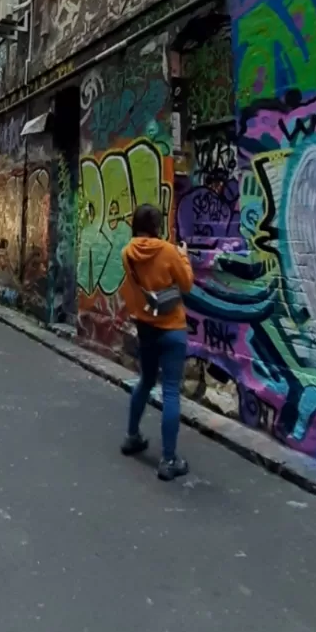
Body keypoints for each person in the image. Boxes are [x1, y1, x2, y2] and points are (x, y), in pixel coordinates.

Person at [120, 204, 194, 481]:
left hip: (146, 327)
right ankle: (169, 459)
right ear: (156, 225)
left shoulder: (127, 253)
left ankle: (131, 436)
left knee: (145, 380)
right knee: (171, 390)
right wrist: (184, 257)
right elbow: (186, 284)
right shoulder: (167, 250)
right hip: (172, 329)